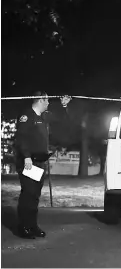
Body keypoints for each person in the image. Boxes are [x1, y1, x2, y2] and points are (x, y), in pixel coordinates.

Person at [14, 91, 72, 239]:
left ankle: (32, 225)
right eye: (46, 101)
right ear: (40, 100)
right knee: (28, 193)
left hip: (39, 161)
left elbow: (61, 120)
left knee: (35, 195)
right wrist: (26, 157)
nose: (48, 104)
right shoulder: (27, 117)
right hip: (28, 162)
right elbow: (21, 139)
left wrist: (64, 105)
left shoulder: (44, 116)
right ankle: (24, 227)